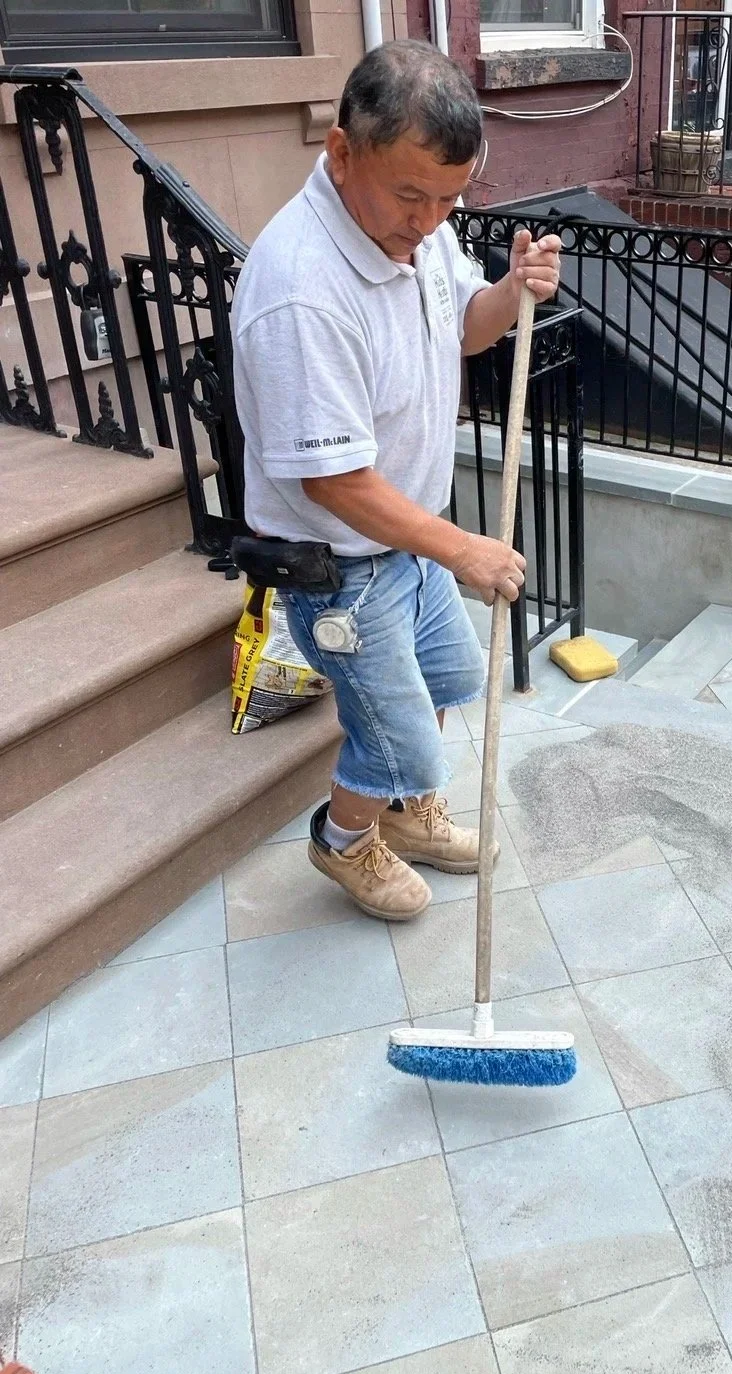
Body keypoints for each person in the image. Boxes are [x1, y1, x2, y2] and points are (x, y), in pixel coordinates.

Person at [232, 40, 561, 920]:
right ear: (341, 153)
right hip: (342, 566)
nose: (430, 219)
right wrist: (464, 550)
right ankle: (342, 840)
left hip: (409, 542)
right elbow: (332, 483)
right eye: (412, 195)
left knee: (449, 686)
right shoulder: (302, 289)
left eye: (450, 198)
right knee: (397, 740)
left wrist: (512, 289)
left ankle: (411, 817)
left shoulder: (418, 229)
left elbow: (467, 325)